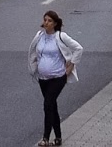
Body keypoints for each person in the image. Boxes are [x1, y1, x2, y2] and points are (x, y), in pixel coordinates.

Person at [28, 10, 83, 147]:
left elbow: (78, 49)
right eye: (45, 20)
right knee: (52, 106)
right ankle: (58, 138)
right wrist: (34, 67)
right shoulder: (39, 36)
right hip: (43, 78)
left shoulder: (60, 36)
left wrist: (70, 67)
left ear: (55, 23)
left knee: (47, 105)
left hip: (58, 77)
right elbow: (33, 52)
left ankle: (45, 138)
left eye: (49, 21)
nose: (46, 23)